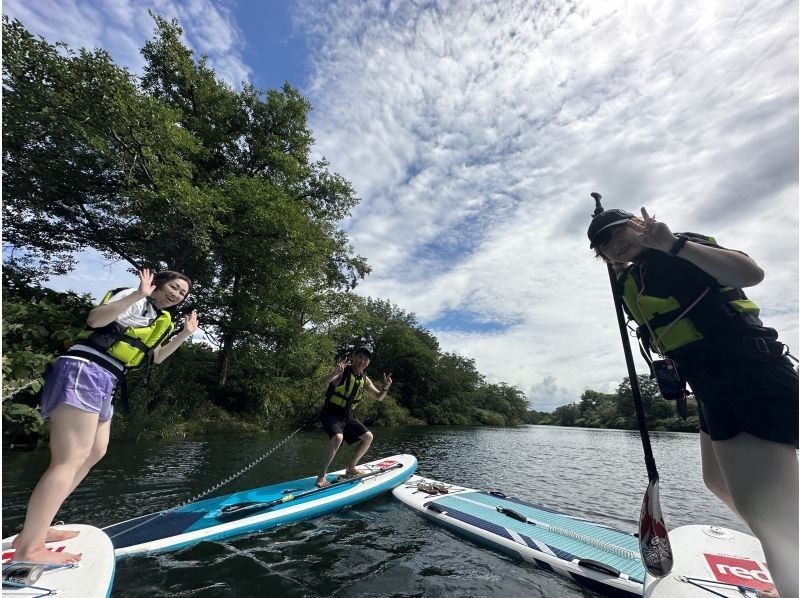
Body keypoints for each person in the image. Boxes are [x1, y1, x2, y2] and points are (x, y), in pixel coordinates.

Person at [588, 207, 798, 598]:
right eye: (604, 243)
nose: (614, 243)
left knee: (767, 509)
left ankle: (791, 574)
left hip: (749, 379)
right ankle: (789, 551)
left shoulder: (678, 247)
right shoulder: (634, 276)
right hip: (713, 387)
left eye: (620, 231)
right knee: (717, 481)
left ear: (639, 224)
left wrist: (673, 243)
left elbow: (750, 273)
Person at [11, 268, 199, 565]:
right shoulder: (134, 297)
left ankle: (35, 531)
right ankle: (28, 549)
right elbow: (95, 320)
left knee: (95, 451)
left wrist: (185, 334)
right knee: (70, 458)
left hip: (107, 379)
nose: (177, 295)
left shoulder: (162, 318)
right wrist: (139, 293)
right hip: (84, 369)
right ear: (158, 284)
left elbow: (158, 356)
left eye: (182, 293)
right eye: (173, 287)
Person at [315, 346, 392, 488]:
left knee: (368, 437)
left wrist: (385, 387)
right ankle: (321, 476)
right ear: (354, 357)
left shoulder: (365, 379)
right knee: (338, 438)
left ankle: (351, 468)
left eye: (366, 359)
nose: (362, 361)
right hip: (330, 412)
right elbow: (323, 383)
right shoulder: (342, 371)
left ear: (368, 363)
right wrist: (334, 373)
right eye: (360, 357)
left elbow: (378, 397)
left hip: (347, 415)